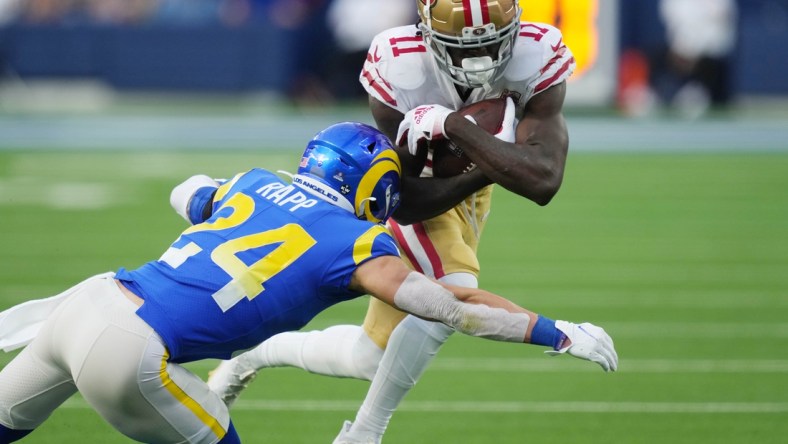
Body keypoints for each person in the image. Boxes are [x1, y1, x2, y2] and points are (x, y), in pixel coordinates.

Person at [0, 122, 616, 443]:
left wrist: (223, 205)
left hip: (86, 303)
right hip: (130, 349)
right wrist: (550, 331)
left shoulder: (248, 184)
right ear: (373, 186)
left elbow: (185, 190)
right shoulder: (352, 243)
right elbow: (448, 306)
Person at [208, 1, 584, 442]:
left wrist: (459, 131)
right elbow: (405, 201)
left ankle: (253, 355)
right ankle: (364, 433)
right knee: (451, 290)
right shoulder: (399, 62)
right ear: (426, 33)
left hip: (473, 192)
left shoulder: (537, 52)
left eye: (492, 45)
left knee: (368, 357)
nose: (478, 63)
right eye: (461, 50)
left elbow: (543, 182)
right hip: (412, 188)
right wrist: (497, 158)